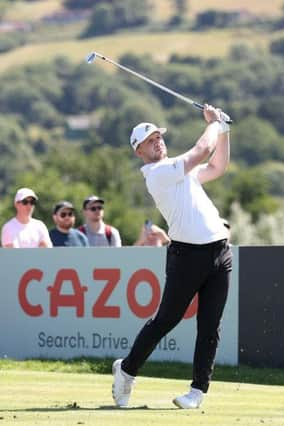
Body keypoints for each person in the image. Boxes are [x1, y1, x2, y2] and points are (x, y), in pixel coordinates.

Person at [112, 104, 231, 410]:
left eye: (159, 137)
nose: (158, 142)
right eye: (150, 141)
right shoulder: (157, 173)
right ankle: (126, 371)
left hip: (220, 251)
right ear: (139, 151)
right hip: (187, 255)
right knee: (167, 320)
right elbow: (202, 149)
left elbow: (217, 167)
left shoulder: (181, 170)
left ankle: (197, 391)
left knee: (210, 326)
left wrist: (225, 130)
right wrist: (214, 123)